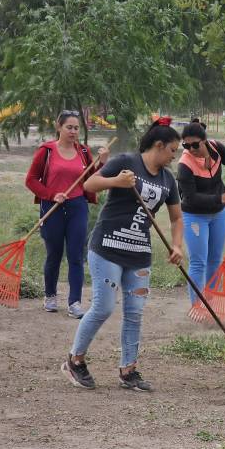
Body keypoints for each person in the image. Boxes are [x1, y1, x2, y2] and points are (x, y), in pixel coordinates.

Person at [62, 118, 184, 392]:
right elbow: (89, 185)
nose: (175, 155)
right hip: (107, 247)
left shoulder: (168, 180)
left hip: (139, 254)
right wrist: (116, 181)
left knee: (135, 313)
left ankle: (128, 370)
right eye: (173, 149)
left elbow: (177, 218)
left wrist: (177, 246)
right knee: (103, 307)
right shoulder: (126, 162)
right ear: (159, 145)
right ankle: (75, 360)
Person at [25, 110, 108, 318]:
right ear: (58, 127)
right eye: (69, 127)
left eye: (76, 127)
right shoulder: (47, 151)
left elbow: (92, 179)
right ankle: (50, 296)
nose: (73, 131)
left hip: (77, 207)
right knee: (54, 254)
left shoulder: (83, 152)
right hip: (51, 208)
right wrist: (51, 194)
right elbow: (31, 180)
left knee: (76, 255)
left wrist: (102, 163)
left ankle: (75, 303)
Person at [177, 121, 225, 304]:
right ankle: (197, 307)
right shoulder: (184, 165)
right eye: (186, 145)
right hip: (195, 216)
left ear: (204, 141)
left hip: (218, 214)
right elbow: (190, 198)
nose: (191, 149)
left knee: (214, 260)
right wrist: (218, 198)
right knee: (199, 263)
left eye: (195, 144)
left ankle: (211, 305)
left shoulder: (215, 147)